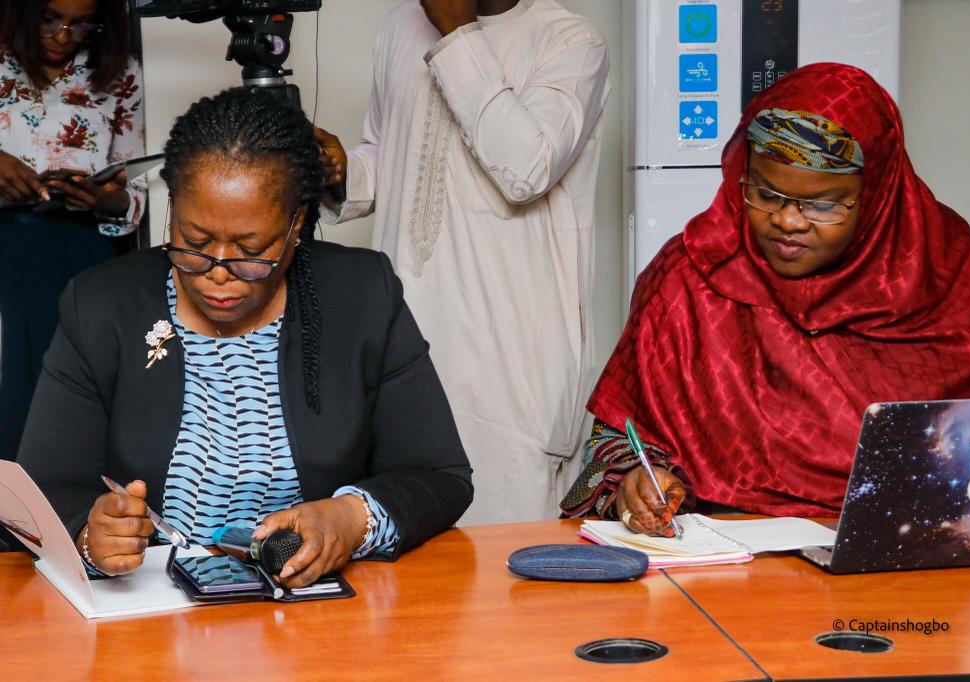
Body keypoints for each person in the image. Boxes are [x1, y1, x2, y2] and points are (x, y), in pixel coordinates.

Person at [16, 87, 473, 587]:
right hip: (152, 618)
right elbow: (43, 489)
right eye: (193, 242)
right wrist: (90, 534)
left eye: (250, 250)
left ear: (297, 223)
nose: (218, 272)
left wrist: (350, 518)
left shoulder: (362, 296)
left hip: (315, 617)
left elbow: (438, 475)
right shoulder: (102, 305)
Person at [560, 63, 970, 536]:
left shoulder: (948, 269)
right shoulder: (690, 276)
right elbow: (616, 439)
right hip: (731, 561)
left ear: (879, 194)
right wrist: (637, 483)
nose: (787, 221)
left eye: (822, 204)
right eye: (764, 193)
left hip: (921, 555)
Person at [315, 0, 610, 525]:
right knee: (406, 527)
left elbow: (527, 168)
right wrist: (341, 172)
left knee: (511, 551)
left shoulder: (570, 41)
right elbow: (388, 153)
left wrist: (455, 29)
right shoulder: (399, 25)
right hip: (407, 333)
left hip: (511, 354)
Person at [0, 0, 146, 460]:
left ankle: (68, 516)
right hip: (6, 243)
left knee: (75, 389)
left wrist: (110, 198)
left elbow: (136, 185)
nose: (64, 36)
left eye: (82, 23)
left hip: (81, 249)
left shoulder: (120, 72)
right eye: (48, 17)